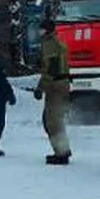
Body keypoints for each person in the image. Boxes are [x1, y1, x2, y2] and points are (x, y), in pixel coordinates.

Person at [36, 19, 73, 165]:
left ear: (47, 30)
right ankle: (63, 149)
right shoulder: (57, 41)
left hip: (55, 85)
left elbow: (51, 68)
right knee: (55, 119)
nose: (40, 32)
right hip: (62, 83)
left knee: (52, 122)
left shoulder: (49, 43)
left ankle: (61, 153)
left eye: (42, 29)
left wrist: (40, 88)